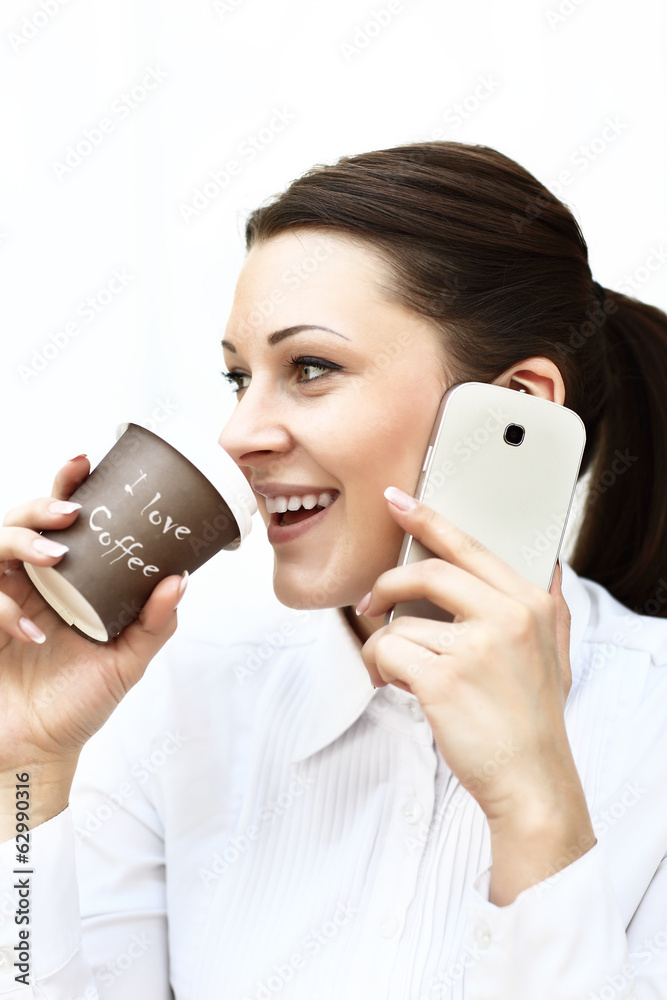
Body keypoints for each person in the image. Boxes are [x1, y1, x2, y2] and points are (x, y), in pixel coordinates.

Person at [1, 141, 667, 999]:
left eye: (310, 368)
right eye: (238, 378)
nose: (239, 435)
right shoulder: (186, 699)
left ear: (517, 405)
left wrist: (537, 807)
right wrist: (26, 776)